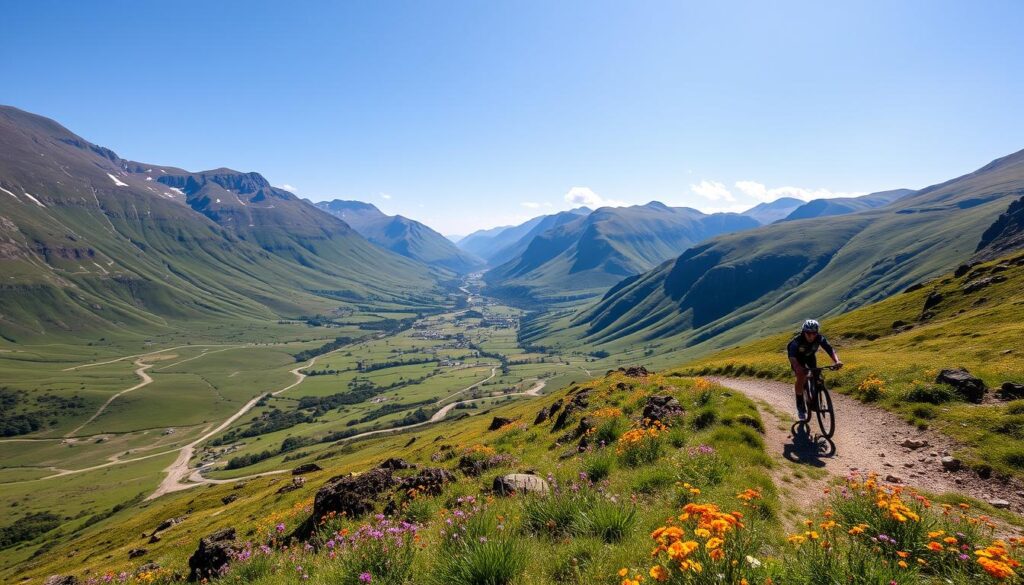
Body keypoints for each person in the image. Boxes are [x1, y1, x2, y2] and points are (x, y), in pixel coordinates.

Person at [787, 319, 842, 420]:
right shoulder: (796, 341)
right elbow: (792, 356)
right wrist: (798, 368)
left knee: (816, 375)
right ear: (804, 332)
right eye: (808, 333)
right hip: (797, 360)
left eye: (814, 333)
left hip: (810, 357)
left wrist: (837, 361)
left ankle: (814, 396)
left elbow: (830, 350)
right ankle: (800, 405)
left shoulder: (820, 338)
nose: (811, 336)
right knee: (801, 377)